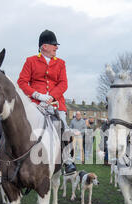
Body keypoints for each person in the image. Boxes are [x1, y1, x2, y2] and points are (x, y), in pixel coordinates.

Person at [17, 29, 77, 175]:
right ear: (44, 46)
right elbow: (22, 82)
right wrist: (37, 95)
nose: (56, 47)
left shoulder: (61, 63)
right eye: (54, 45)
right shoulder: (30, 61)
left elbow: (63, 84)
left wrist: (50, 97)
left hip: (56, 104)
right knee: (16, 124)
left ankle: (68, 161)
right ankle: (0, 156)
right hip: (35, 104)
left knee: (64, 128)